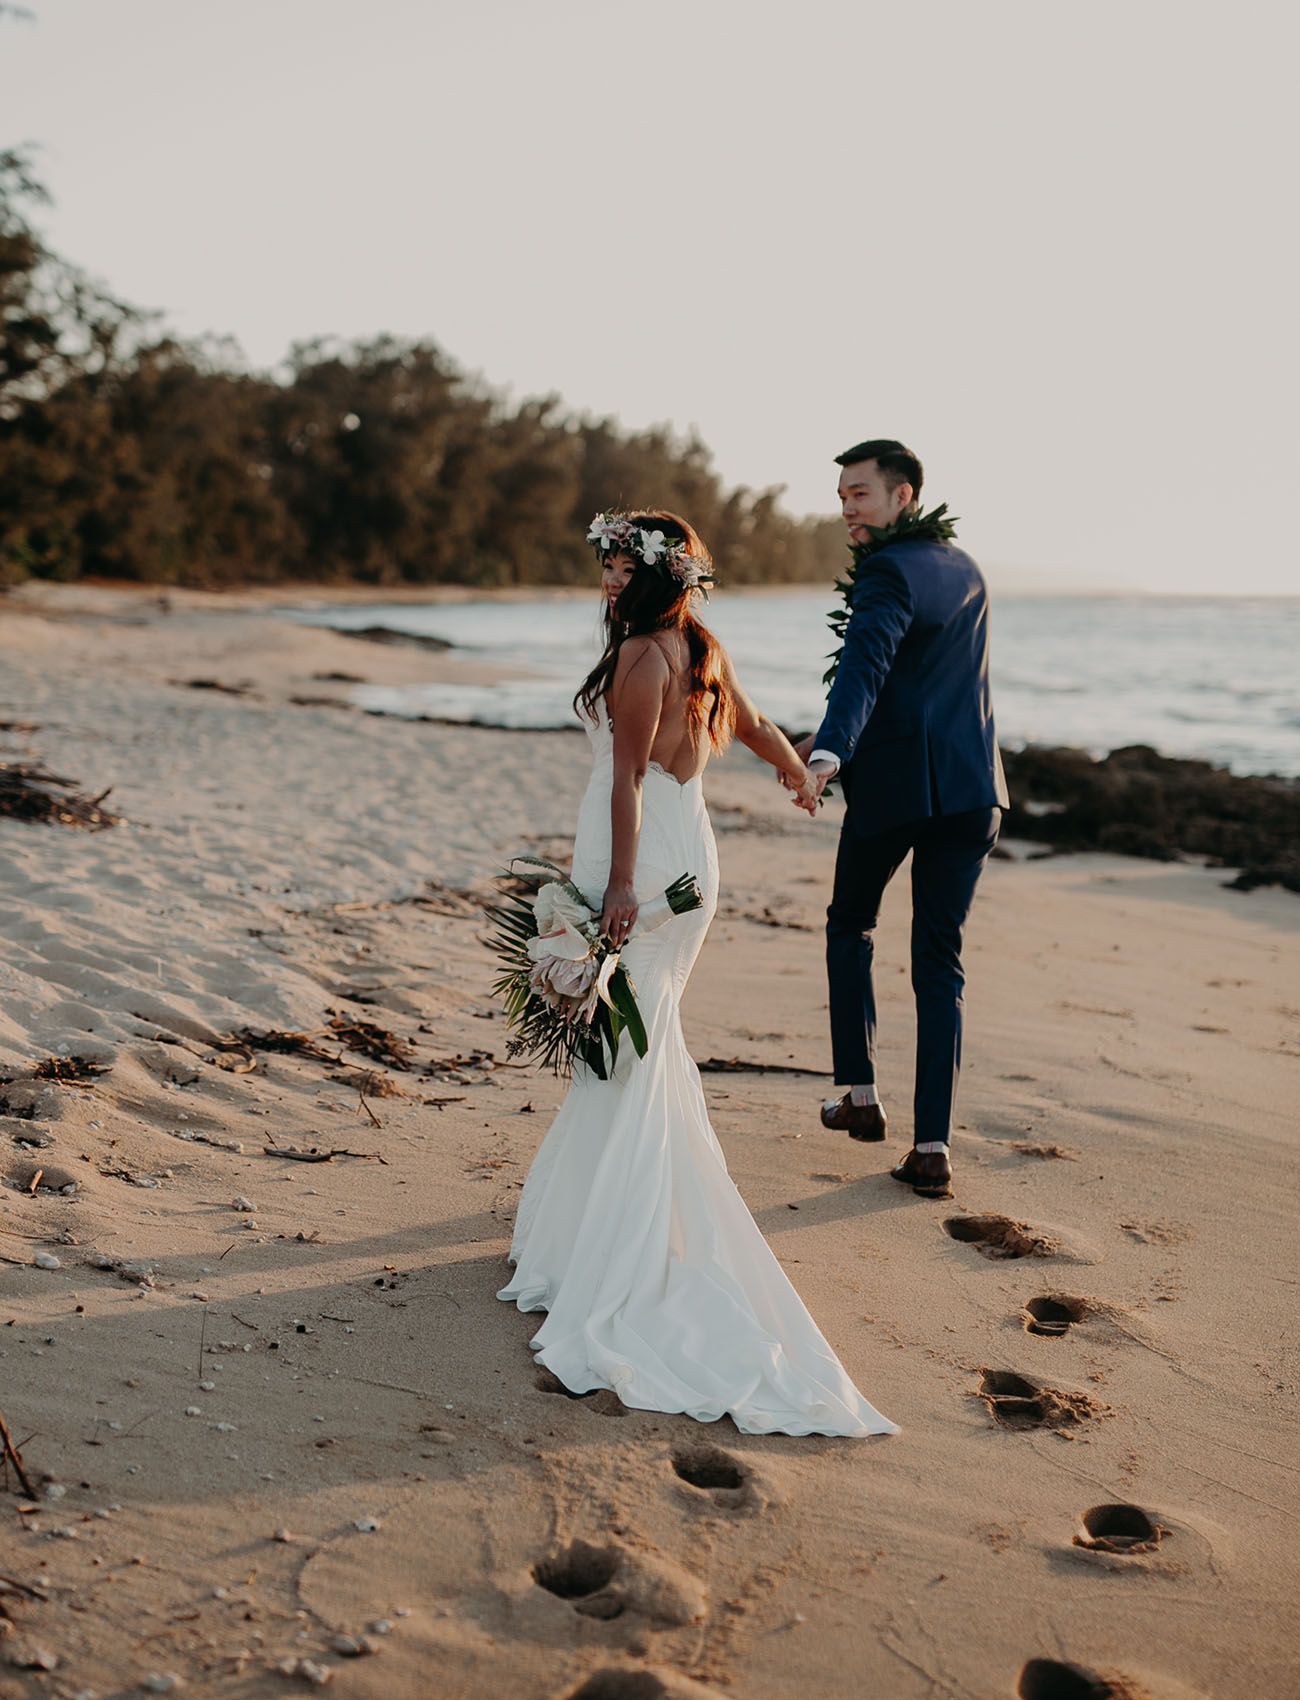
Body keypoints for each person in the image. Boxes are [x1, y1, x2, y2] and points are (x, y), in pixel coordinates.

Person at [497, 509, 898, 1439]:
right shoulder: (691, 643)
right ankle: (591, 1231)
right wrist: (798, 774)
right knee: (634, 1042)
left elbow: (631, 776)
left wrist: (622, 888)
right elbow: (752, 723)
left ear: (654, 573)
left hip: (648, 860)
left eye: (616, 561)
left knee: (631, 1047)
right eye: (599, 558)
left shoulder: (644, 657)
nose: (604, 573)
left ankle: (627, 1251)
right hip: (682, 853)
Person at [791, 441, 1008, 1200]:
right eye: (843, 495)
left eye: (860, 494)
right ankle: (932, 1148)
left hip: (895, 791)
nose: (846, 508)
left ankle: (858, 1091)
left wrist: (828, 753)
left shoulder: (885, 573)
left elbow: (867, 663)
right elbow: (930, 677)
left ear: (902, 497)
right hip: (975, 790)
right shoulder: (966, 568)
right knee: (939, 968)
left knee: (850, 923)